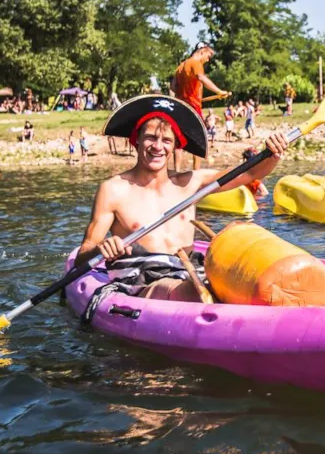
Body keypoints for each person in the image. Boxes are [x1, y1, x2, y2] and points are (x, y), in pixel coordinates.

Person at [75, 95, 289, 302]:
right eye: (150, 137)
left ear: (175, 147)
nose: (158, 146)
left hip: (188, 270)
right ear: (136, 140)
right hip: (142, 279)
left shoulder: (191, 183)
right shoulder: (113, 190)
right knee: (194, 292)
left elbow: (251, 174)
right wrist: (101, 248)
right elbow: (83, 255)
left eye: (166, 140)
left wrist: (273, 154)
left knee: (248, 281)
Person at [170, 41, 229, 171]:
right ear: (202, 51)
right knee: (199, 139)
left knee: (178, 140)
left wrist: (177, 100)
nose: (208, 60)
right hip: (192, 106)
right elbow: (201, 78)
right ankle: (196, 172)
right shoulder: (196, 63)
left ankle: (176, 172)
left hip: (180, 106)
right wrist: (218, 91)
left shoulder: (180, 67)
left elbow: (173, 87)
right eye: (208, 56)